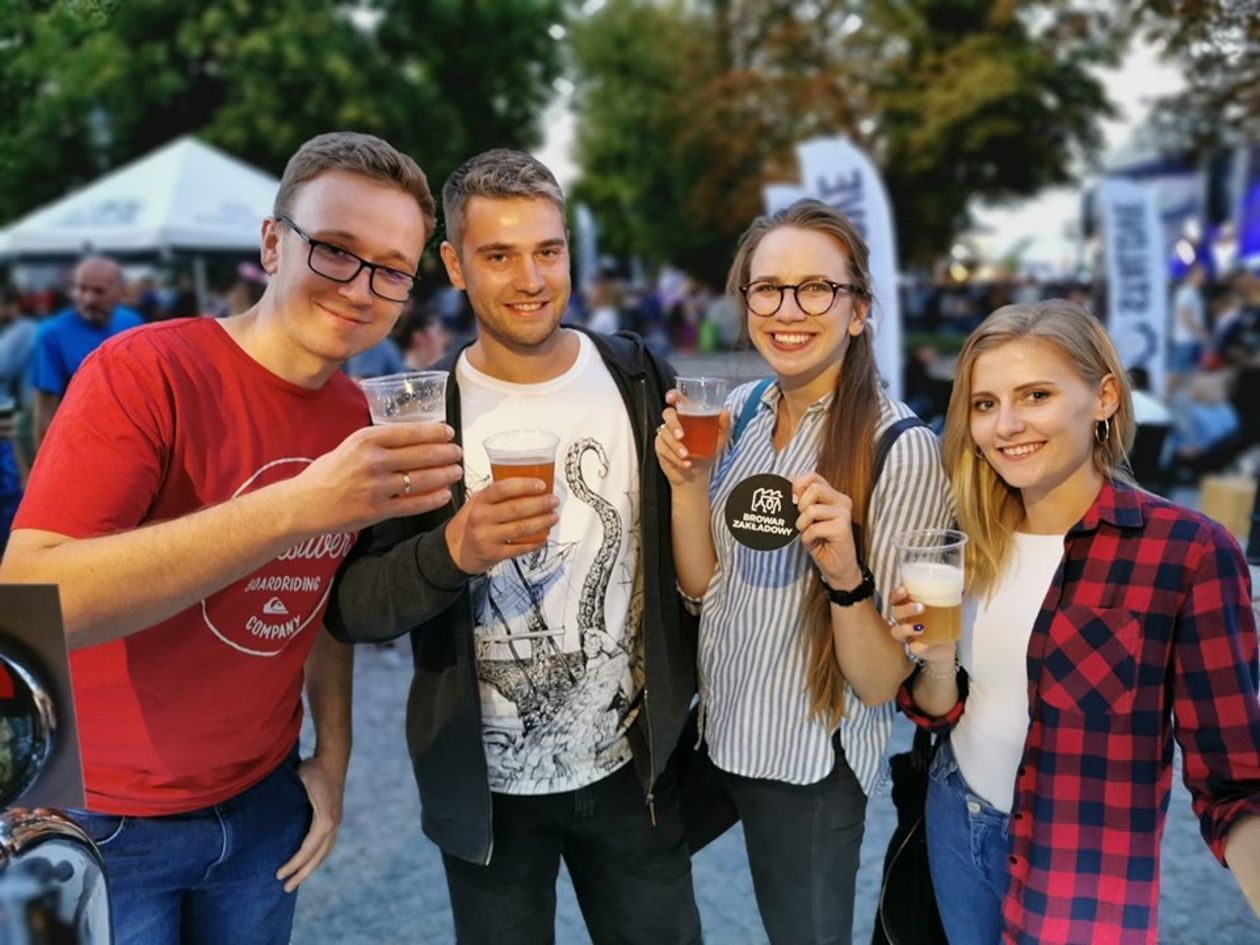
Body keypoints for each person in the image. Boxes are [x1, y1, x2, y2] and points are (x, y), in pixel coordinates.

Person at [0, 131, 463, 945]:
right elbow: (31, 599)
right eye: (335, 249)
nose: (360, 286)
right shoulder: (145, 371)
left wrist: (333, 756)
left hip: (261, 807)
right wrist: (296, 505)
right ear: (273, 243)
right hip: (102, 815)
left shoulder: (359, 418)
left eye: (391, 268)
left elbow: (323, 601)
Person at [325, 149, 701, 944]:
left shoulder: (636, 377)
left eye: (548, 251)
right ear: (455, 265)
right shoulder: (421, 415)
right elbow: (353, 608)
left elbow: (691, 555)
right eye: (499, 255)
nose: (531, 279)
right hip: (487, 796)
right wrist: (452, 551)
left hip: (634, 777)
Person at [890, 300, 1260, 945]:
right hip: (955, 819)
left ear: (1105, 398)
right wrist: (938, 660)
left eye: (1035, 395)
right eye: (984, 404)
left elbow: (1236, 782)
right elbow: (937, 709)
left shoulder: (1188, 552)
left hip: (1083, 869)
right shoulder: (966, 537)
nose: (1006, 425)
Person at [654, 198, 952, 945]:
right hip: (719, 729)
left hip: (809, 761)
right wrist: (689, 484)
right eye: (768, 288)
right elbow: (705, 588)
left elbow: (881, 683)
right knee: (635, 867)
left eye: (816, 288)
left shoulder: (900, 448)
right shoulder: (747, 408)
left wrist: (845, 573)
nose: (788, 309)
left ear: (858, 311)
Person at [29, 255, 143, 449]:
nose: (89, 299)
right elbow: (45, 409)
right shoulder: (52, 335)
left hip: (128, 441)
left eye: (99, 291)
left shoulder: (133, 324)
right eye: (82, 289)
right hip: (79, 444)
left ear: (120, 292)